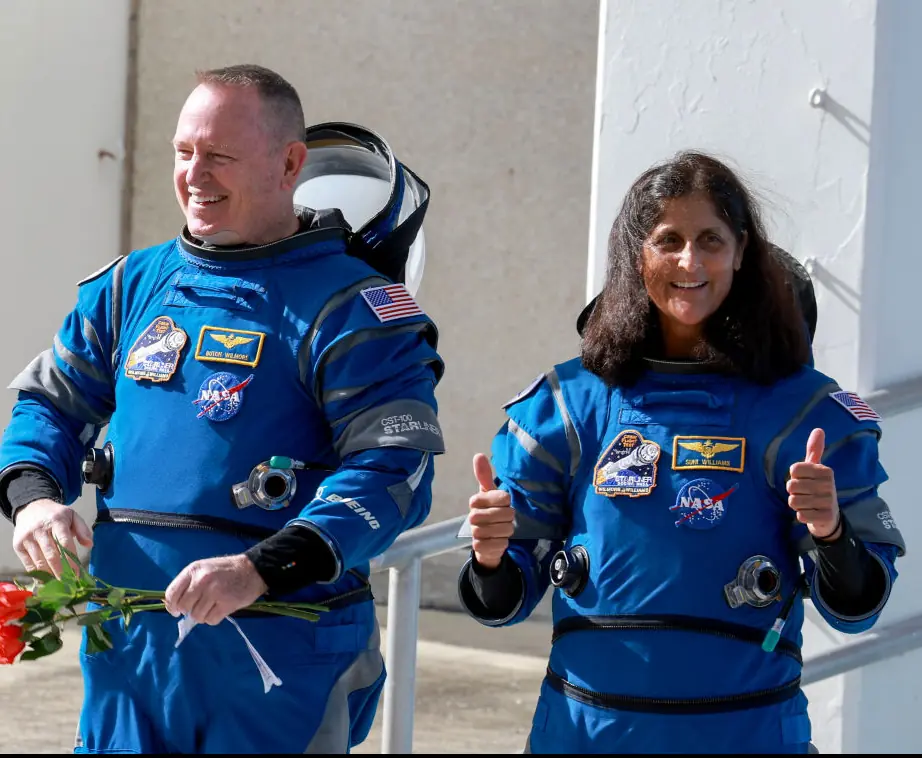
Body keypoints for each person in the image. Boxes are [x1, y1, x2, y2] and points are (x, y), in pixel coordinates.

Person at [0, 64, 445, 754]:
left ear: (290, 164)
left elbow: (394, 471)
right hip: (131, 659)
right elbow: (48, 408)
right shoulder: (129, 287)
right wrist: (34, 502)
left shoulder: (353, 310)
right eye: (184, 152)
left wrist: (261, 569)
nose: (194, 174)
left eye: (219, 156)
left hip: (281, 666)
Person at [457, 150, 905, 754]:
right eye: (668, 240)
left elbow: (859, 607)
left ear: (741, 252)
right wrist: (489, 561)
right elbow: (502, 602)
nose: (689, 261)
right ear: (637, 253)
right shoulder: (568, 405)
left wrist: (831, 533)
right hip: (585, 736)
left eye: (710, 240)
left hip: (746, 737)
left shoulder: (806, 416)